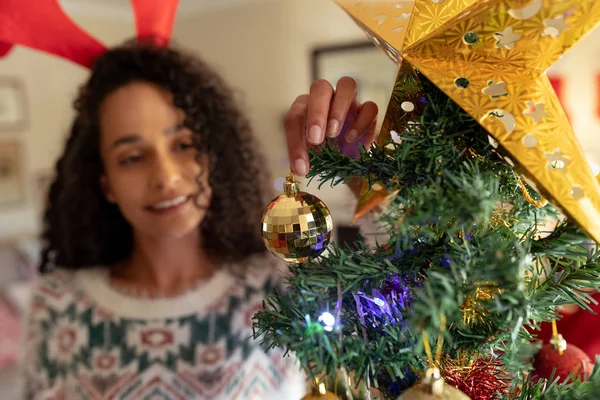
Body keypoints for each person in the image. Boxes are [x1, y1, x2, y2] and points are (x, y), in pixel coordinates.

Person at [20, 39, 378, 399]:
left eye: (183, 145)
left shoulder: (281, 285)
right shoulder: (57, 307)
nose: (166, 176)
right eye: (131, 157)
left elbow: (414, 322)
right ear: (106, 183)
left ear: (214, 153)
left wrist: (365, 175)